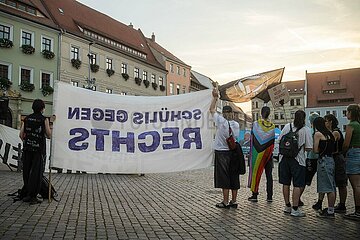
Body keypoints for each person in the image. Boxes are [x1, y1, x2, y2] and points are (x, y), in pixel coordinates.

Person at [210, 88, 240, 208]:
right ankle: (234, 201)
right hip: (233, 153)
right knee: (234, 177)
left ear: (223, 113)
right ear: (232, 114)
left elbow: (211, 109)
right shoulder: (236, 124)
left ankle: (225, 201)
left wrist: (215, 98)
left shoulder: (221, 121)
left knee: (224, 177)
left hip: (222, 153)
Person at [278, 110, 313, 217]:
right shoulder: (306, 130)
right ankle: (295, 209)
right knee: (297, 184)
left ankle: (287, 206)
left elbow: (279, 140)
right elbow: (309, 147)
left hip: (284, 159)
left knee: (286, 183)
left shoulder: (287, 126)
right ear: (304, 118)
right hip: (298, 160)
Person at [19, 99, 52, 205]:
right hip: (38, 149)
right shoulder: (44, 119)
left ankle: (27, 194)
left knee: (27, 171)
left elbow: (21, 135)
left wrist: (28, 140)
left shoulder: (27, 118)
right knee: (37, 173)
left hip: (27, 148)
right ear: (42, 108)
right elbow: (48, 135)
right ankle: (33, 196)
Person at [247, 106, 275, 202]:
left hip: (258, 153)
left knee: (256, 173)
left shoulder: (256, 124)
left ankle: (254, 195)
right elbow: (272, 142)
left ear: (261, 113)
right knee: (269, 175)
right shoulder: (272, 126)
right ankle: (269, 196)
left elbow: (252, 136)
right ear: (269, 114)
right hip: (268, 154)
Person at [313, 117, 336, 218]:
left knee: (328, 187)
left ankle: (330, 211)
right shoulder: (330, 134)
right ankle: (329, 208)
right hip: (331, 160)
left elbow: (315, 150)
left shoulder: (318, 134)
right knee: (331, 185)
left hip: (323, 161)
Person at [324, 114, 347, 213]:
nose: (325, 123)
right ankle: (339, 204)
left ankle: (342, 205)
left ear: (330, 122)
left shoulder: (335, 132)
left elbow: (330, 145)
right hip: (336, 158)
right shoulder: (332, 132)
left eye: (326, 121)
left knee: (341, 183)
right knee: (336, 182)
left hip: (337, 158)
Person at [343, 104, 360, 220]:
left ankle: (358, 211)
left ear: (351, 113)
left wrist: (343, 153)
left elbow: (346, 143)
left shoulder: (351, 125)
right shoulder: (359, 125)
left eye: (347, 112)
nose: (346, 114)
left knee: (356, 185)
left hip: (353, 153)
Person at [300, 112, 319, 208]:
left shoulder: (311, 131)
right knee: (321, 181)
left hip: (311, 158)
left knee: (305, 180)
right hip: (320, 158)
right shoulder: (321, 132)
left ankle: (297, 198)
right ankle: (320, 201)